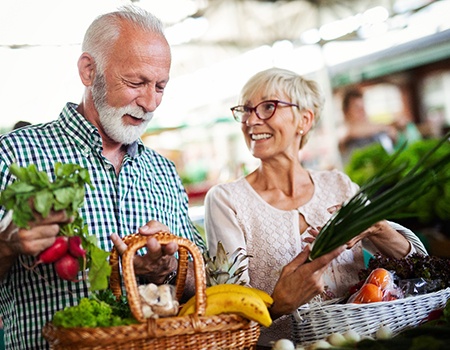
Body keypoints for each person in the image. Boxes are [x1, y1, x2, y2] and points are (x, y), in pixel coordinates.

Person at [0, 6, 205, 349]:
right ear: (88, 70)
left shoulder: (164, 171)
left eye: (161, 86)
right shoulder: (13, 156)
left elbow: (200, 286)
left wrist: (168, 270)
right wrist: (6, 245)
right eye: (136, 82)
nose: (150, 102)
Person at [204, 68, 427, 348]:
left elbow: (420, 265)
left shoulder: (339, 186)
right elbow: (229, 311)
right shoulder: (226, 201)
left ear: (304, 120)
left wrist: (378, 229)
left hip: (365, 341)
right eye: (245, 110)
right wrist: (278, 305)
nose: (250, 120)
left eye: (268, 107)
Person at [338, 89, 398, 164]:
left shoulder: (373, 130)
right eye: (357, 107)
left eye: (363, 106)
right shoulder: (343, 131)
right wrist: (386, 127)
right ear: (346, 112)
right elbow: (352, 132)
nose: (362, 111)